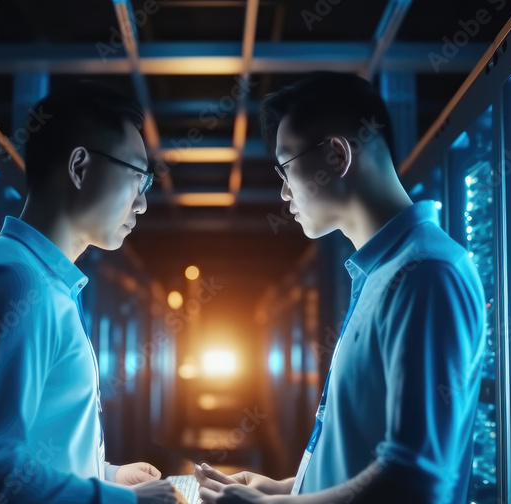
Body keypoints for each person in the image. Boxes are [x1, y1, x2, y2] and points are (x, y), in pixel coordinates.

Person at [194, 72, 486, 504]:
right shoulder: (380, 273)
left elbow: (414, 482)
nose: (283, 192)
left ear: (336, 155)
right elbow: (365, 462)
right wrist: (282, 489)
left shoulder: (426, 273)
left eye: (286, 167)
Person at [0, 82, 178, 504]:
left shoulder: (41, 281)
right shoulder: (13, 282)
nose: (142, 204)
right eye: (137, 177)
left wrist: (105, 475)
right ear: (79, 167)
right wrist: (127, 503)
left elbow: (28, 448)